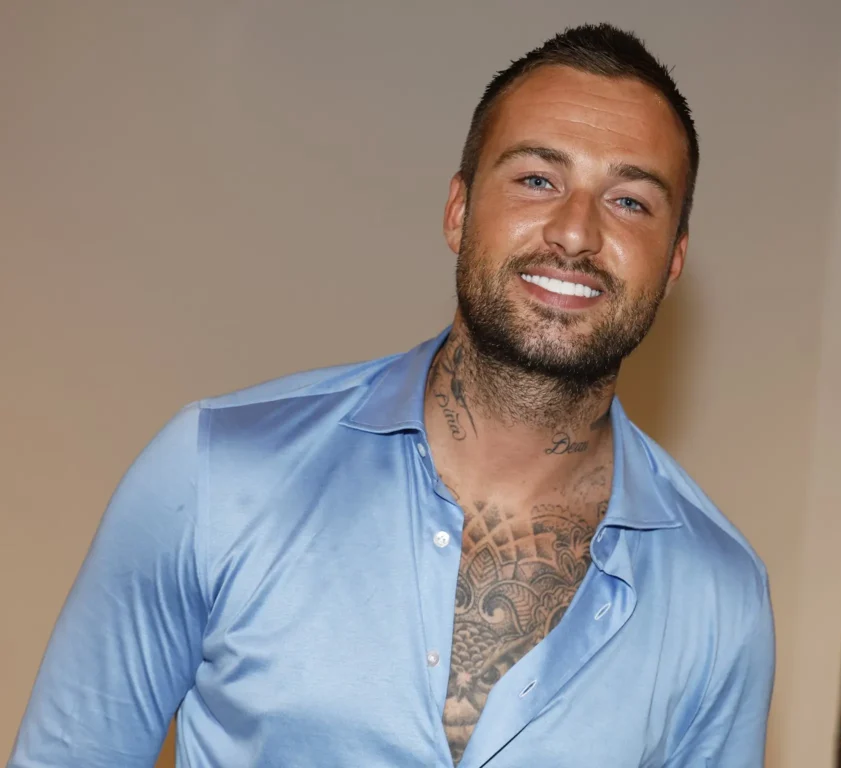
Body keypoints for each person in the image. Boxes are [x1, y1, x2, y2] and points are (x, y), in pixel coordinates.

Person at [9, 22, 774, 768]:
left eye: (630, 201)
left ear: (673, 261)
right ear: (459, 212)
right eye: (538, 180)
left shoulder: (720, 596)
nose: (576, 232)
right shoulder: (216, 472)